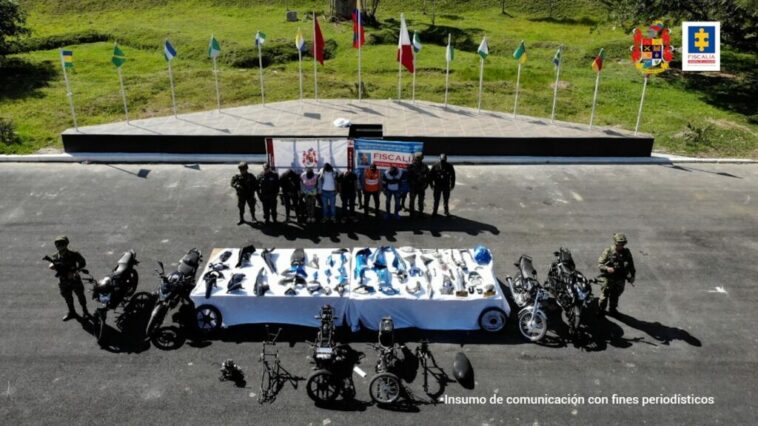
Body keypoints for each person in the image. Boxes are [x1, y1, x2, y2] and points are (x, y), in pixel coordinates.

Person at [47, 236, 90, 321]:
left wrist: (75, 271)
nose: (59, 246)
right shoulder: (55, 256)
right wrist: (53, 267)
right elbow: (54, 265)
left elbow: (82, 263)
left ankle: (85, 312)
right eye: (58, 244)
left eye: (62, 244)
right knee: (67, 298)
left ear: (66, 244)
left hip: (74, 279)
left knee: (80, 296)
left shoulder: (74, 254)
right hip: (63, 280)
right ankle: (72, 312)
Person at [597, 233, 636, 317]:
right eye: (620, 244)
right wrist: (607, 268)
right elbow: (600, 264)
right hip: (609, 278)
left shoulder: (626, 252)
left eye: (623, 244)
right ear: (615, 243)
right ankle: (601, 310)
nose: (621, 246)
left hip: (620, 278)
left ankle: (612, 309)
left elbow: (631, 265)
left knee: (616, 295)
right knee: (604, 296)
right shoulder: (608, 251)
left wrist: (632, 275)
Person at [406, 154, 430, 219]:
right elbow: (408, 176)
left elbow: (428, 176)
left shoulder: (424, 166)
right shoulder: (411, 166)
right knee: (412, 201)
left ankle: (421, 213)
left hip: (421, 186)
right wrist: (411, 183)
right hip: (413, 187)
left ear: (421, 159)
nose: (417, 160)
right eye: (416, 159)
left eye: (419, 159)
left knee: (421, 201)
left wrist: (426, 184)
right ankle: (412, 214)